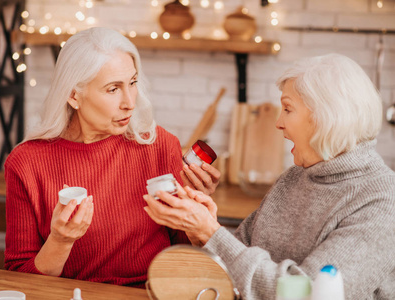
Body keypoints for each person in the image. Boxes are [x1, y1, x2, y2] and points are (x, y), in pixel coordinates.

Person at [143, 53, 395, 299]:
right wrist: (201, 230)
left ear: (326, 117)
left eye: (287, 108)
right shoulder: (293, 179)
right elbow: (237, 260)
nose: (278, 123)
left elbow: (306, 293)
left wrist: (212, 233)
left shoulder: (382, 200)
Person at [4, 26, 220, 288]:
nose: (129, 101)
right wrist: (60, 241)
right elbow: (19, 276)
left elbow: (188, 257)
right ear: (74, 95)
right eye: (112, 89)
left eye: (132, 83)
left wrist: (200, 215)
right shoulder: (26, 163)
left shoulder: (159, 145)